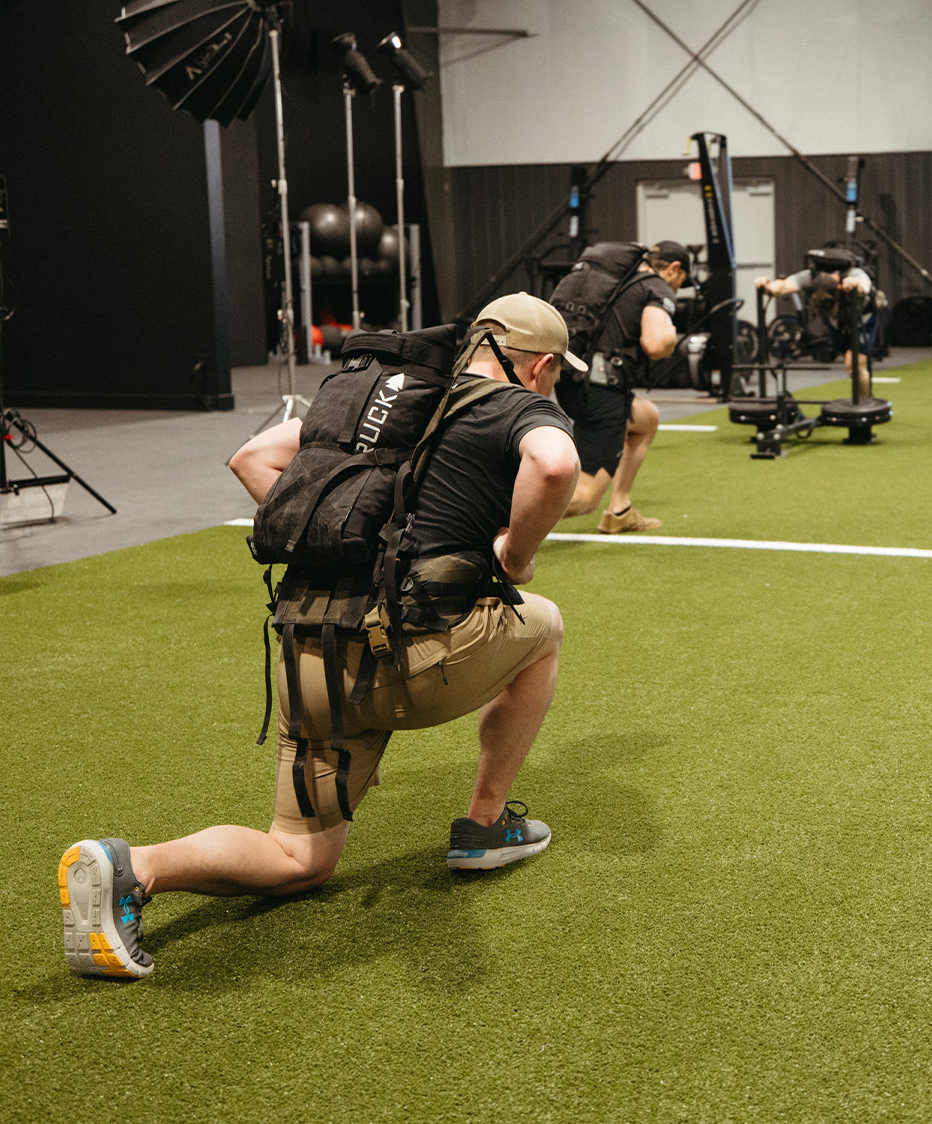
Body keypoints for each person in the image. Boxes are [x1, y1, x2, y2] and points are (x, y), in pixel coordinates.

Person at [56, 295, 582, 980]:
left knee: (299, 858)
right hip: (409, 660)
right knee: (544, 626)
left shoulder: (384, 403)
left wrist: (347, 544)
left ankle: (135, 867)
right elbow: (553, 465)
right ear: (538, 365)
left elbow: (251, 459)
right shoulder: (516, 404)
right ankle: (485, 827)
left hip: (308, 653)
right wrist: (513, 557)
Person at [556, 240, 684, 533]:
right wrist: (670, 338)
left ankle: (619, 511)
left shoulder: (617, 284)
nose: (677, 289)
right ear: (675, 269)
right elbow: (654, 342)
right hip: (603, 391)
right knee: (586, 497)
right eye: (681, 282)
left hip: (570, 381)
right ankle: (491, 515)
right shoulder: (656, 286)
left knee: (646, 419)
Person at [757, 249, 885, 397]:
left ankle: (864, 403)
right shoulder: (810, 277)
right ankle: (865, 387)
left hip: (863, 320)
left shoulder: (854, 274)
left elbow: (864, 285)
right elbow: (783, 286)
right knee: (850, 361)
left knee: (854, 365)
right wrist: (767, 287)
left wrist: (855, 285)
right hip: (837, 324)